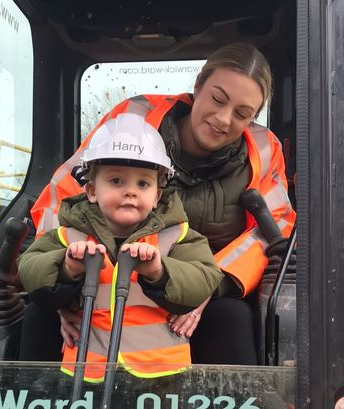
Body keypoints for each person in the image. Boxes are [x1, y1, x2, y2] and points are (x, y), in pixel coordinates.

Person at [25, 42, 296, 365]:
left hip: (205, 288)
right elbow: (62, 195)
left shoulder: (265, 149)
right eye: (217, 99)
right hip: (109, 275)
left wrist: (209, 287)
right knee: (38, 316)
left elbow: (274, 228)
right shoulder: (132, 120)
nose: (224, 119)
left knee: (232, 319)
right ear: (198, 86)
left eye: (242, 113)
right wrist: (61, 293)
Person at [18, 113, 223, 378]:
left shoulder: (178, 235)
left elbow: (203, 278)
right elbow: (30, 270)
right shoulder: (68, 235)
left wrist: (159, 272)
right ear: (91, 191)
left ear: (156, 196)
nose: (130, 191)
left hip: (160, 376)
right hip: (88, 374)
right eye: (116, 181)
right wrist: (67, 268)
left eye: (143, 183)